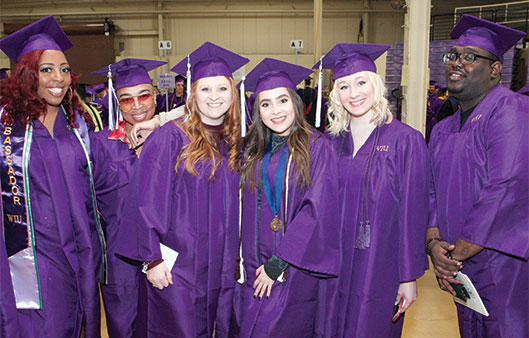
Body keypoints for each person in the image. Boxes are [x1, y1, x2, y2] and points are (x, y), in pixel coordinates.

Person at [116, 42, 248, 338]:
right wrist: (152, 259)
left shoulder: (233, 144)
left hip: (221, 265)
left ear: (233, 94)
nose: (214, 97)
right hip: (179, 266)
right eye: (205, 89)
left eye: (222, 89)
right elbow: (144, 200)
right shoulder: (170, 138)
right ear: (192, 94)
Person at [0, 15, 106, 337]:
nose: (58, 78)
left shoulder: (77, 127)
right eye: (46, 69)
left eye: (63, 69)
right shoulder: (7, 129)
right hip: (33, 259)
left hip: (79, 256)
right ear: (28, 74)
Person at [317, 43, 429, 337]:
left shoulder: (406, 140)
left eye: (361, 82)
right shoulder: (329, 142)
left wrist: (408, 277)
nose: (353, 93)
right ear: (335, 95)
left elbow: (413, 211)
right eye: (344, 86)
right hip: (334, 260)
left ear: (376, 85)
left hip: (381, 260)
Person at [426, 14, 528, 338]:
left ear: (495, 69)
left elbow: (506, 187)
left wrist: (453, 256)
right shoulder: (443, 129)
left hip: (502, 264)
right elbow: (430, 193)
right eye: (453, 55)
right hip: (462, 265)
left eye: (470, 57)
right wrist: (433, 245)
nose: (457, 63)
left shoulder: (511, 109)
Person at [235, 58, 340, 337]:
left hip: (290, 270)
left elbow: (315, 211)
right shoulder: (253, 150)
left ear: (296, 102)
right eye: (265, 104)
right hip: (252, 270)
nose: (275, 111)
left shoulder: (318, 148)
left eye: (282, 101)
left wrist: (278, 263)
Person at [91, 58, 166, 337]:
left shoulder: (173, 138)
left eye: (144, 95)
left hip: (165, 252)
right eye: (126, 99)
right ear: (117, 103)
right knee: (124, 326)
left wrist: (163, 123)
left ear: (156, 96)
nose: (137, 105)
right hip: (118, 256)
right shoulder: (99, 144)